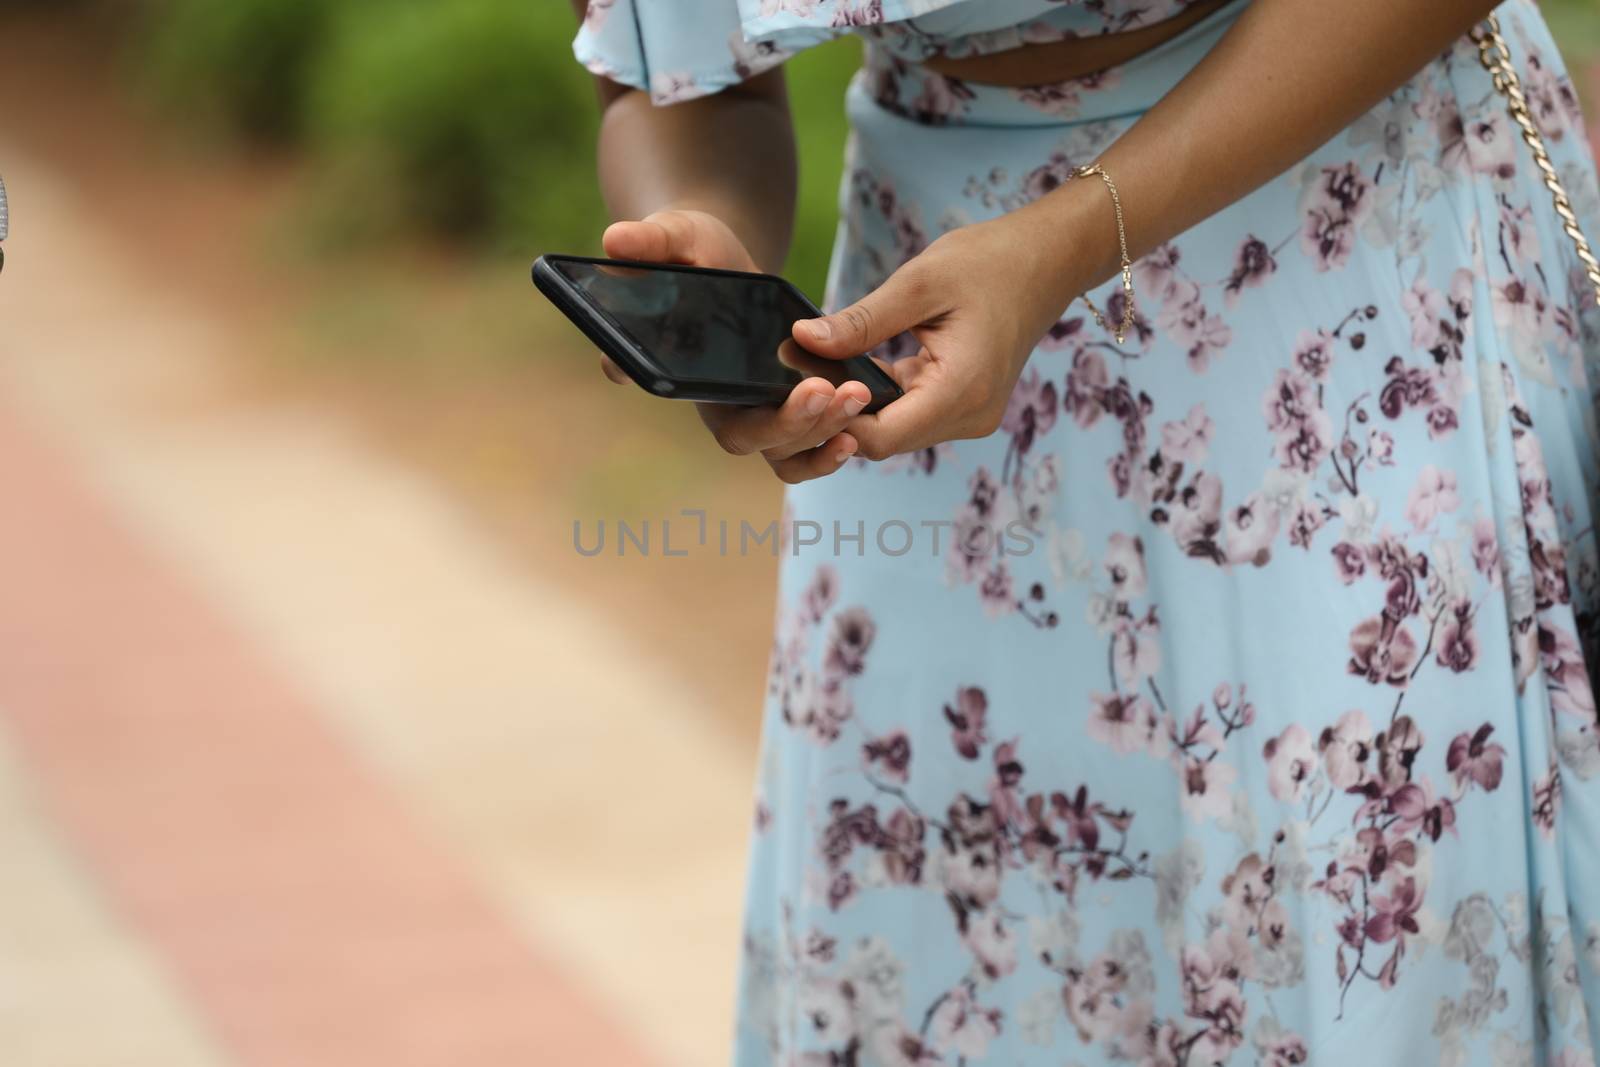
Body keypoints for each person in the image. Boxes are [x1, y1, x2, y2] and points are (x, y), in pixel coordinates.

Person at [566, 0, 1600, 1062]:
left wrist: (1064, 240)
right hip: (928, 358)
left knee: (1360, 912)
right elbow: (672, 70)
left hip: (1332, 270)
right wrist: (695, 246)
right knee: (965, 950)